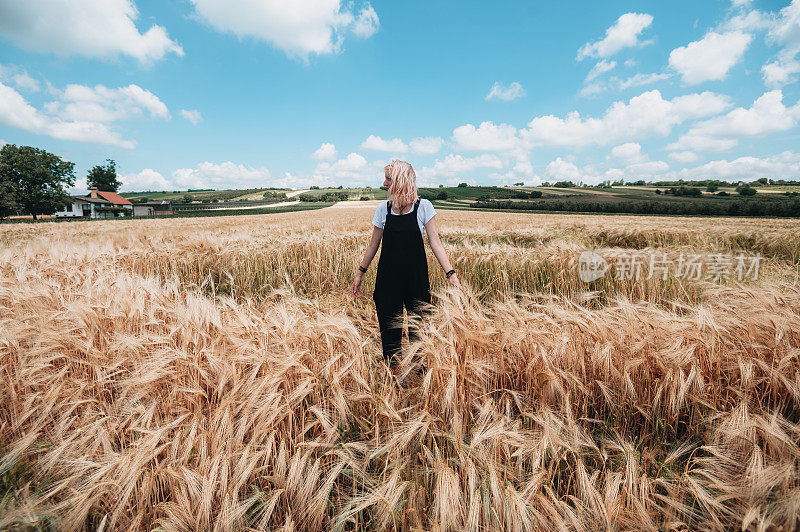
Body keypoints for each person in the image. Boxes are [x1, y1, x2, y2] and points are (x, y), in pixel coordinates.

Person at [351, 160, 461, 366]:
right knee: (389, 337)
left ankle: (419, 383)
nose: (384, 183)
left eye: (388, 179)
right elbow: (373, 245)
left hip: (416, 282)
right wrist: (360, 274)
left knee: (419, 337)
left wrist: (451, 275)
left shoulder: (423, 207)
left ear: (401, 181)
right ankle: (393, 382)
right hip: (387, 283)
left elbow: (436, 243)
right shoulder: (383, 210)